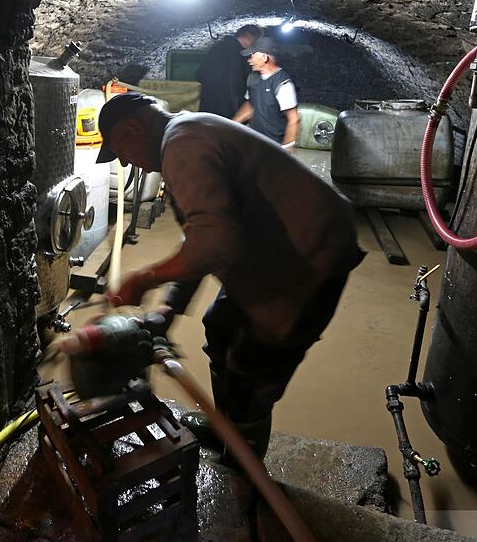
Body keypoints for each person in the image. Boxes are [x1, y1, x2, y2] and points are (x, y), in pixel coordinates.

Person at [95, 93, 365, 461]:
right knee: (221, 326)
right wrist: (169, 310)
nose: (125, 162)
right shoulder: (188, 132)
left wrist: (145, 278)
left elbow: (215, 242)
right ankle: (228, 429)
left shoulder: (182, 144)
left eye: (120, 151)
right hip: (274, 247)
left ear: (134, 127)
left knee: (252, 371)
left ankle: (241, 464)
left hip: (308, 257)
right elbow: (202, 236)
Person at [233, 37, 299, 149]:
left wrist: (286, 150)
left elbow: (293, 119)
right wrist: (233, 124)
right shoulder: (253, 78)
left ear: (264, 57)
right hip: (255, 141)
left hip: (274, 146)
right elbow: (251, 105)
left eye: (252, 56)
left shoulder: (283, 84)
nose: (249, 60)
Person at [196, 24, 262, 119]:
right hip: (227, 111)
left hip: (207, 107)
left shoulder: (216, 48)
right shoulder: (241, 56)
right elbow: (235, 85)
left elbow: (199, 74)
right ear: (250, 38)